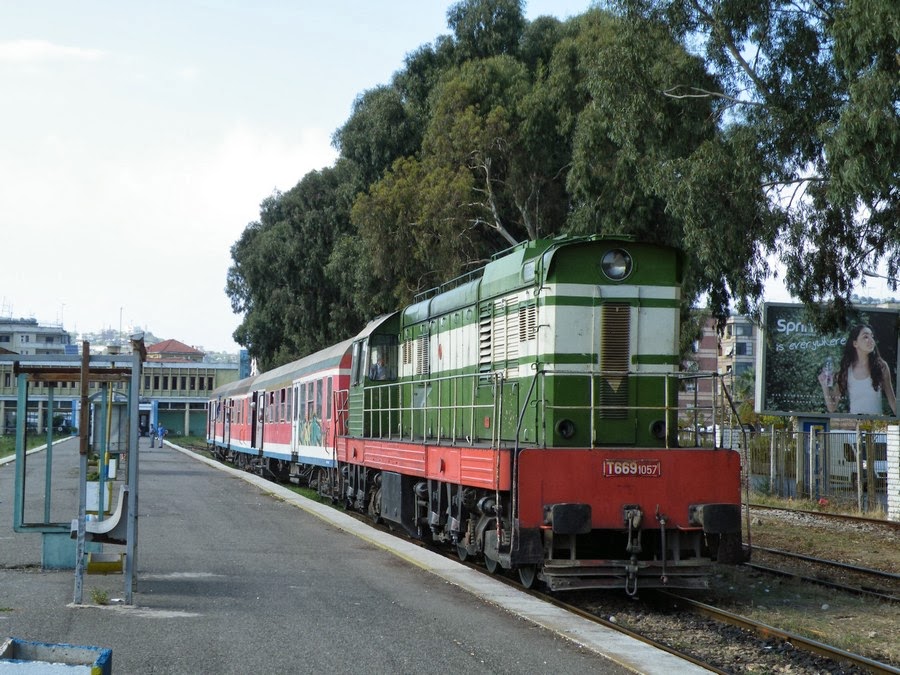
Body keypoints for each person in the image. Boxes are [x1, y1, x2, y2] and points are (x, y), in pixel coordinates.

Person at [819, 324, 897, 416]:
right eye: (865, 337)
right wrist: (824, 386)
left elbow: (893, 402)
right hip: (854, 424)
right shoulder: (846, 370)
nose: (871, 340)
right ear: (855, 343)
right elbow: (832, 407)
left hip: (876, 424)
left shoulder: (881, 366)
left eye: (872, 336)